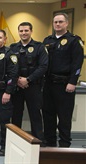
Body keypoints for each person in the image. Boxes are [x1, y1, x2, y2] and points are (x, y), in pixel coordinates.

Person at [42, 13, 84, 148]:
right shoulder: (48, 40)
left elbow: (77, 63)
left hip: (65, 84)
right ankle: (50, 143)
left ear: (66, 23)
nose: (58, 24)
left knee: (64, 117)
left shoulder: (74, 41)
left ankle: (64, 145)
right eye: (55, 22)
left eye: (60, 22)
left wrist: (72, 81)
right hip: (48, 84)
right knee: (48, 115)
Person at [9, 22, 47, 144]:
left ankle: (38, 141)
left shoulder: (39, 47)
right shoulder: (13, 47)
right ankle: (15, 140)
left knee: (35, 115)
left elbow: (43, 66)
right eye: (21, 31)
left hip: (33, 86)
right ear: (18, 32)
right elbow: (10, 67)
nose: (23, 33)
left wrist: (28, 79)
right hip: (17, 86)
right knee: (16, 114)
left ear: (31, 31)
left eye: (26, 30)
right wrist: (18, 79)